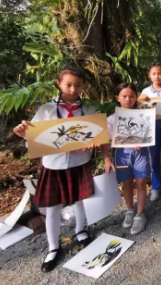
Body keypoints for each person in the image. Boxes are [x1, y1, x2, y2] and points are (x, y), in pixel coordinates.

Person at [13, 67, 96, 272]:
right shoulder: (46, 110)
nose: (73, 89)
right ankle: (53, 246)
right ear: (58, 84)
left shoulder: (88, 110)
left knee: (78, 199)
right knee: (52, 207)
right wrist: (24, 134)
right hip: (54, 164)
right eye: (68, 84)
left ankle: (80, 230)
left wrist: (93, 141)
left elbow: (96, 133)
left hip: (78, 163)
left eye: (77, 85)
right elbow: (34, 138)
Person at [102, 83, 149, 235]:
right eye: (124, 96)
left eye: (131, 96)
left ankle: (140, 214)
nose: (128, 99)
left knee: (141, 182)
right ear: (117, 98)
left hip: (140, 153)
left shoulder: (143, 114)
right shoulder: (112, 119)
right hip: (122, 154)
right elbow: (104, 139)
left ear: (136, 97)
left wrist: (141, 141)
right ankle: (129, 210)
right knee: (126, 183)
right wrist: (107, 159)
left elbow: (149, 134)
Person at [139, 64, 161, 201]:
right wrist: (141, 100)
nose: (157, 76)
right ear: (149, 75)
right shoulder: (145, 91)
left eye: (159, 73)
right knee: (154, 156)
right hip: (151, 125)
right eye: (154, 74)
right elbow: (140, 107)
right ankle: (156, 186)